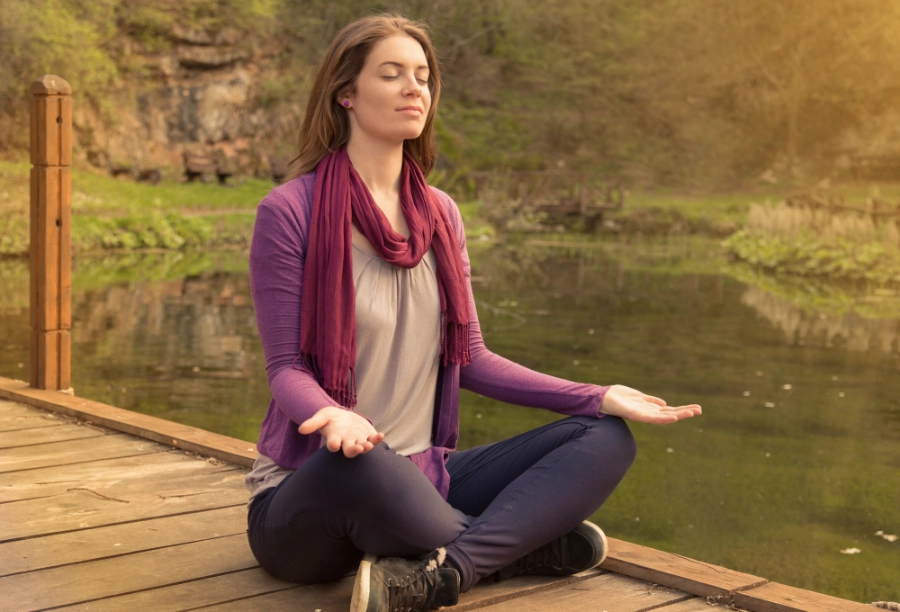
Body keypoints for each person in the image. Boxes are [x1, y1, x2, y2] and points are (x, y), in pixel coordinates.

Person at [245, 13, 701, 612]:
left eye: (423, 76)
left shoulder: (440, 214)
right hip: (317, 489)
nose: (415, 89)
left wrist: (595, 394)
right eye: (392, 74)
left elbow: (474, 360)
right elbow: (285, 370)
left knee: (605, 438)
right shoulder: (290, 212)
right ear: (346, 94)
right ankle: (522, 547)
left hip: (426, 475)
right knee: (366, 468)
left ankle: (447, 571)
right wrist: (333, 416)